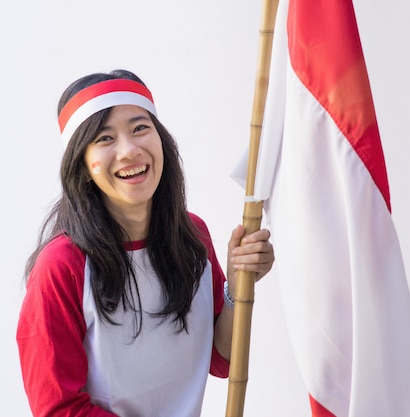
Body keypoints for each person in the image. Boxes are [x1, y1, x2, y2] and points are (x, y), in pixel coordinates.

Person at [16, 69, 275, 417]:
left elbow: (220, 356)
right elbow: (58, 409)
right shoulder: (62, 266)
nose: (129, 151)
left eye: (140, 128)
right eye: (105, 139)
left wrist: (236, 285)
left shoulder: (192, 235)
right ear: (81, 163)